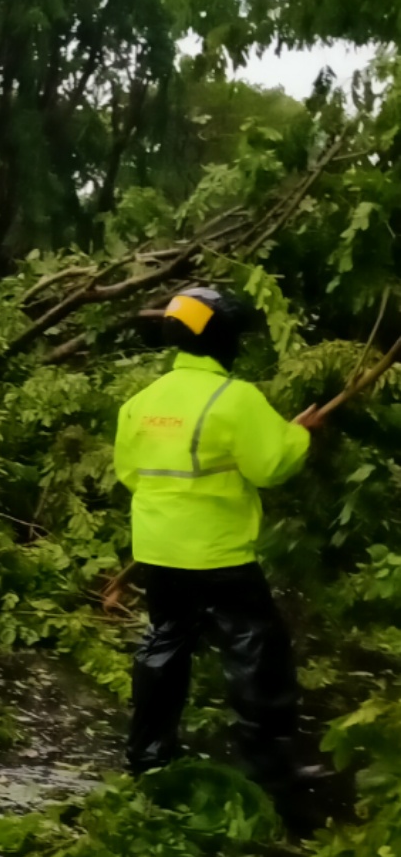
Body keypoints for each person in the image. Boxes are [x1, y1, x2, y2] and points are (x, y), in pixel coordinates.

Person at [116, 286, 323, 788]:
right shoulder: (236, 398)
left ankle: (148, 756)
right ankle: (268, 763)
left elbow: (128, 472)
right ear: (224, 339)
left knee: (165, 642)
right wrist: (301, 434)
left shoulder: (141, 402)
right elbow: (271, 466)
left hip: (158, 550)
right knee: (256, 649)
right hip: (217, 553)